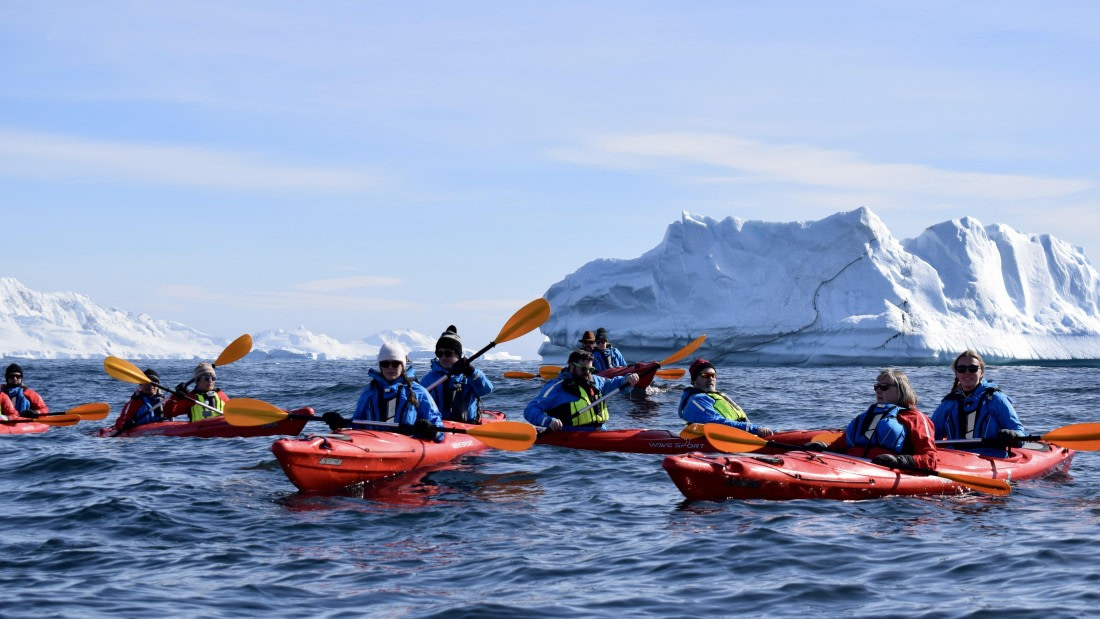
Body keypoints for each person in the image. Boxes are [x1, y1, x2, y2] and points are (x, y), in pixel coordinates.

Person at [804, 368, 937, 470]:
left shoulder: (916, 419)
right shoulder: (874, 416)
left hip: (882, 471)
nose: (878, 391)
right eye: (876, 387)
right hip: (851, 465)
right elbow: (841, 447)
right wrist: (824, 447)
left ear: (901, 390)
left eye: (884, 387)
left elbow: (930, 460)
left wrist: (899, 461)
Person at [339, 342, 444, 440]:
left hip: (408, 444)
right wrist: (340, 424)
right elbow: (357, 424)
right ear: (380, 366)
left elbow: (439, 431)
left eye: (395, 363)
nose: (390, 367)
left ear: (402, 366)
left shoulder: (418, 392)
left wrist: (430, 429)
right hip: (374, 443)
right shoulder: (370, 391)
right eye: (385, 363)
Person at [930, 350, 1025, 458]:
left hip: (990, 458)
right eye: (961, 369)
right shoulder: (949, 403)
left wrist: (1012, 435)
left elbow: (1020, 433)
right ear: (956, 373)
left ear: (981, 372)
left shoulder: (996, 399)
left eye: (973, 368)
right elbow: (930, 435)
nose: (967, 372)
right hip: (955, 458)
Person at [523, 349, 640, 431]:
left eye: (590, 369)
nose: (588, 373)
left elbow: (614, 384)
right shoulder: (557, 387)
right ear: (572, 366)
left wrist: (627, 379)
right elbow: (530, 410)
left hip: (600, 432)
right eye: (584, 369)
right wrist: (549, 421)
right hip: (571, 435)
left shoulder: (596, 381)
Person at [678, 359, 773, 437]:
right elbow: (715, 422)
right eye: (705, 375)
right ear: (694, 380)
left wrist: (759, 431)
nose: (710, 378)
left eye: (713, 375)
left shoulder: (716, 396)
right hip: (717, 441)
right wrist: (754, 429)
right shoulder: (696, 400)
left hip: (740, 435)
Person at [421, 325, 493, 423]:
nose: (443, 357)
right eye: (439, 353)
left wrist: (472, 372)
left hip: (465, 426)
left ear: (458, 355)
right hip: (438, 425)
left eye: (448, 353)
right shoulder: (430, 378)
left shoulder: (469, 376)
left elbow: (486, 389)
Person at [163, 362, 229, 422]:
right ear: (198, 380)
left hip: (220, 429)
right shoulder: (191, 398)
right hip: (198, 432)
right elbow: (168, 413)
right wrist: (175, 397)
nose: (210, 381)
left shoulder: (221, 395)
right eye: (206, 378)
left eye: (213, 378)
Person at [111, 368, 168, 432]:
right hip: (140, 436)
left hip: (161, 436)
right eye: (147, 381)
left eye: (154, 381)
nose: (151, 384)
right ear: (141, 385)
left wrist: (177, 397)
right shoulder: (133, 403)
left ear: (158, 385)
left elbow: (176, 411)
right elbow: (120, 424)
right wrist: (124, 425)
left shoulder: (166, 401)